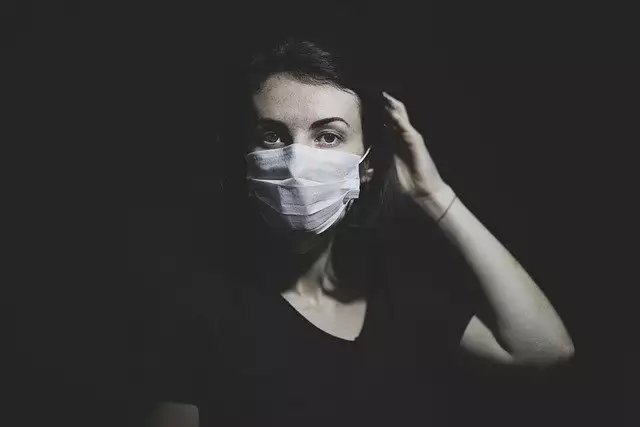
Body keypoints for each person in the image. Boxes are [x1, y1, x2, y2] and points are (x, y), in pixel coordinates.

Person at [143, 38, 574, 427]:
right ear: (244, 157)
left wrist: (433, 193)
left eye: (328, 136)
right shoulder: (193, 309)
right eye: (272, 136)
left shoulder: (399, 296)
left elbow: (543, 349)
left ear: (365, 166)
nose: (297, 161)